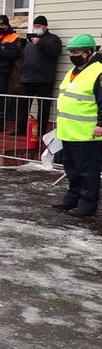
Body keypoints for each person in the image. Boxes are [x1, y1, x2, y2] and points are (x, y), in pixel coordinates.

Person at [53, 34, 102, 218]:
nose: (73, 55)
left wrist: (101, 125)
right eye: (71, 52)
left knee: (87, 173)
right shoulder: (72, 72)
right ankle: (72, 199)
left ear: (89, 52)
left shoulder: (98, 71)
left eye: (76, 52)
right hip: (69, 131)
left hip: (87, 134)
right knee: (72, 171)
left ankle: (87, 205)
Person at [10, 15, 62, 136]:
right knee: (23, 105)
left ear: (45, 26)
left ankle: (40, 131)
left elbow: (55, 52)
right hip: (27, 78)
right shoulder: (30, 41)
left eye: (39, 26)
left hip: (44, 80)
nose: (36, 28)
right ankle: (20, 128)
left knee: (43, 107)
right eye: (35, 26)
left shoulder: (52, 39)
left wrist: (41, 43)